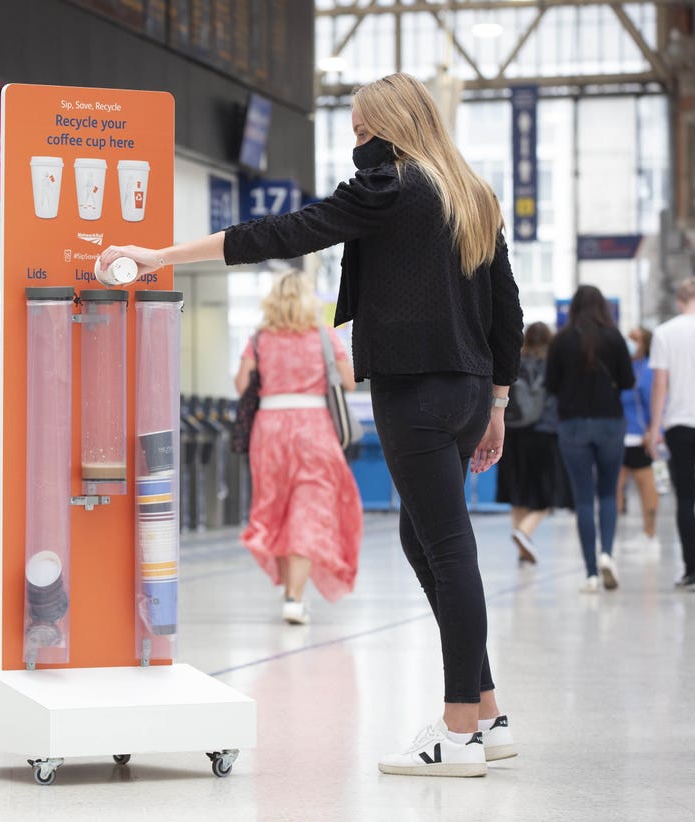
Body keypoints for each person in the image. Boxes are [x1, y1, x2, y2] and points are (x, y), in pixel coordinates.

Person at [101, 72, 523, 778]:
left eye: (363, 129)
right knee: (430, 547)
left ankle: (456, 737)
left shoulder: (390, 188)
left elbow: (286, 232)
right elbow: (507, 310)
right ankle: (486, 711)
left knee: (447, 553)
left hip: (413, 392)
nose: (357, 141)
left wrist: (162, 256)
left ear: (393, 126)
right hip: (470, 391)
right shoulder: (472, 194)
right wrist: (500, 405)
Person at [234, 272, 362, 626]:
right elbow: (349, 383)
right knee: (309, 509)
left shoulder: (260, 339)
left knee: (274, 508)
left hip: (270, 429)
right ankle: (294, 596)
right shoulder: (325, 337)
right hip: (314, 428)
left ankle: (289, 585)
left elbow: (242, 384)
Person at [545, 285, 634, 594]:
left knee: (583, 498)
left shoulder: (561, 341)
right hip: (611, 422)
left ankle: (591, 575)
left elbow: (550, 385)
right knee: (608, 493)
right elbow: (627, 381)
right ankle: (607, 554)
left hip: (572, 426)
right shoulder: (615, 337)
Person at [644, 277, 695, 591]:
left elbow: (660, 384)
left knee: (686, 498)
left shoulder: (665, 333)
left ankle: (691, 571)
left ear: (678, 302)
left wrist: (654, 428)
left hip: (678, 425)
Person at [495, 322, 570, 564]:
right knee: (547, 495)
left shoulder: (514, 361)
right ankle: (524, 533)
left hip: (513, 433)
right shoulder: (553, 364)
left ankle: (522, 548)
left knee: (518, 491)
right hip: (544, 434)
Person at [617, 327, 659, 552]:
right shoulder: (621, 366)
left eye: (635, 339)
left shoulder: (650, 370)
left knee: (647, 487)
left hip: (641, 438)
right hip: (619, 435)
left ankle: (650, 534)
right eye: (629, 338)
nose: (630, 342)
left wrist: (654, 430)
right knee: (613, 488)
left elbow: (656, 401)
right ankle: (609, 540)